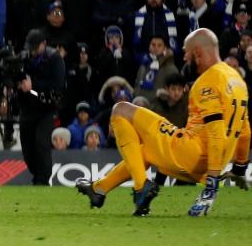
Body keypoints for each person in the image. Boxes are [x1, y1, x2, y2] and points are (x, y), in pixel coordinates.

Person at [77, 29, 250, 217]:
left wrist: (212, 185)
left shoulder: (207, 81)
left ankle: (141, 187)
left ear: (198, 53)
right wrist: (240, 167)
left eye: (186, 51)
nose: (184, 57)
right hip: (208, 162)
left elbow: (215, 133)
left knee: (121, 110)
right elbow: (245, 129)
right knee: (142, 152)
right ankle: (99, 189)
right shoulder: (237, 80)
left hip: (190, 154)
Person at [18, 29, 66, 185]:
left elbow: (57, 85)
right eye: (29, 46)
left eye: (34, 46)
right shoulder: (24, 57)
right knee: (27, 148)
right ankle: (37, 176)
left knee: (41, 143)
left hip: (47, 108)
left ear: (43, 44)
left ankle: (43, 181)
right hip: (28, 107)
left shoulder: (55, 59)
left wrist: (34, 86)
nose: (31, 50)